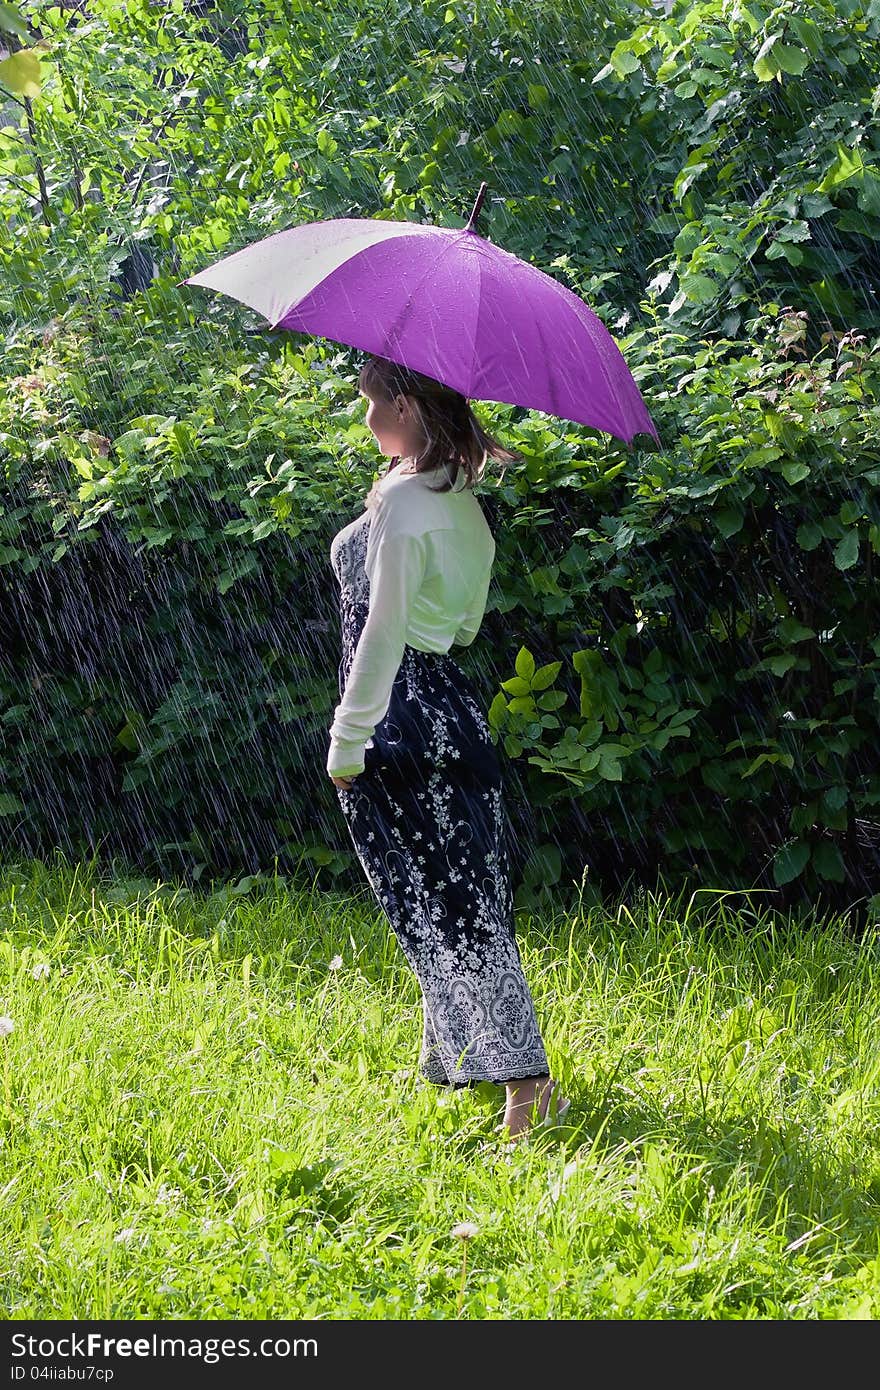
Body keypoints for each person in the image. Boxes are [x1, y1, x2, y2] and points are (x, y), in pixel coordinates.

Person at [327, 355, 569, 1140]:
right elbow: (461, 625)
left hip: (398, 719)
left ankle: (528, 1083)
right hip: (452, 714)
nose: (364, 419)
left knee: (443, 908)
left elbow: (383, 631)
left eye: (371, 403)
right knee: (458, 898)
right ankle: (458, 1056)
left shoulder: (405, 501)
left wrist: (348, 735)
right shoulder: (459, 500)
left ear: (405, 404)